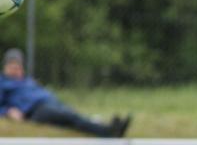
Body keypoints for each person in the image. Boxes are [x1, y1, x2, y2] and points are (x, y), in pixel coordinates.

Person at [0, 48, 131, 137]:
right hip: (36, 110)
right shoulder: (3, 83)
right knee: (72, 118)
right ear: (5, 67)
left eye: (17, 66)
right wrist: (8, 111)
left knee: (74, 117)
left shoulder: (27, 81)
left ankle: (111, 128)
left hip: (50, 103)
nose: (15, 70)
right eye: (11, 66)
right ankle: (109, 132)